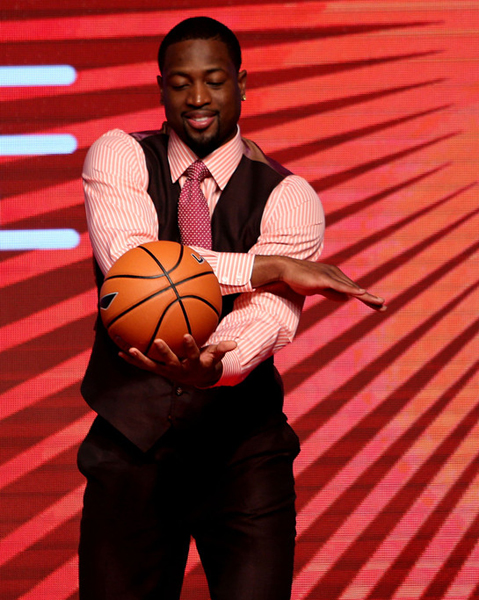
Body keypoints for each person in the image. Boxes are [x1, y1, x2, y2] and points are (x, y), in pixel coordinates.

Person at [78, 16, 384, 600]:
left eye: (215, 81)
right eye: (180, 83)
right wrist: (268, 266)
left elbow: (266, 319)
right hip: (129, 447)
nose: (197, 98)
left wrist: (215, 366)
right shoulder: (118, 156)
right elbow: (136, 268)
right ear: (161, 87)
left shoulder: (289, 196)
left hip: (243, 458)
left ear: (241, 84)